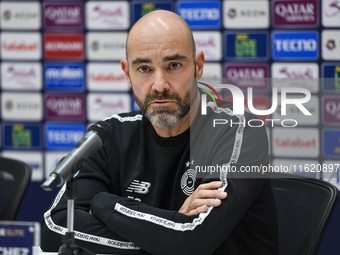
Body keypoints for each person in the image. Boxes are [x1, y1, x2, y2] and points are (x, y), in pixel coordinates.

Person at [41, 10, 278, 255]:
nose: (159, 85)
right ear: (127, 74)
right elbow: (55, 229)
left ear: (197, 67)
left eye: (173, 65)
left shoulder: (237, 132)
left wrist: (104, 203)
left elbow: (192, 242)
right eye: (144, 69)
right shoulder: (110, 135)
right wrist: (170, 230)